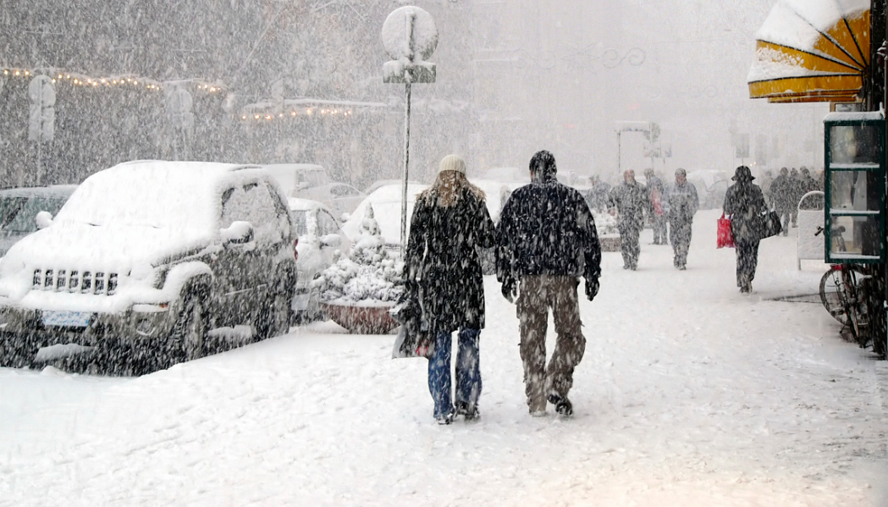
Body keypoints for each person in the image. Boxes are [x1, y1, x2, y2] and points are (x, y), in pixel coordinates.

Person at [496, 150, 601, 417]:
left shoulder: (519, 199)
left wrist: (505, 274)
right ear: (554, 171)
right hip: (563, 280)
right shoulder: (570, 198)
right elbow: (589, 236)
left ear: (532, 172)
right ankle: (556, 381)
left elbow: (503, 239)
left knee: (531, 341)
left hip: (531, 280)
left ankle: (537, 398)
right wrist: (592, 272)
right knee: (571, 336)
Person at [404, 154, 497, 425]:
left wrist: (411, 280)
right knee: (469, 344)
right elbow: (488, 238)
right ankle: (467, 402)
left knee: (440, 345)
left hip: (437, 284)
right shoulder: (473, 202)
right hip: (467, 282)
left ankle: (442, 407)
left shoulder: (425, 203)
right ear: (463, 174)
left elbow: (414, 246)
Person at [723, 165, 767, 293]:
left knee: (741, 254)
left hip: (738, 227)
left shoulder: (731, 191)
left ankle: (743, 280)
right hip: (754, 227)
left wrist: (737, 209)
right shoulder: (756, 190)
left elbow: (727, 209)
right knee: (752, 254)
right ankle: (749, 275)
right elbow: (763, 207)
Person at [607, 169, 647, 270]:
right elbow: (609, 199)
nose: (630, 177)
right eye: (628, 175)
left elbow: (647, 202)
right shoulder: (618, 189)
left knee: (634, 240)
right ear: (624, 177)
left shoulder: (640, 188)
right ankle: (626, 261)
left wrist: (647, 213)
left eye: (631, 175)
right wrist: (611, 208)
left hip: (635, 218)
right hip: (623, 218)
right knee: (624, 241)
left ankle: (634, 260)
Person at [666, 168, 699, 270]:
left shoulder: (691, 188)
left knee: (685, 240)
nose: (680, 178)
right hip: (674, 219)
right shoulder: (669, 188)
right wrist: (668, 211)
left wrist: (689, 213)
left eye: (681, 176)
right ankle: (677, 253)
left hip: (686, 220)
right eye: (678, 176)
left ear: (685, 177)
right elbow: (664, 201)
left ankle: (682, 259)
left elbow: (695, 203)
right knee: (674, 239)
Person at [644, 168, 668, 245]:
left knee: (656, 224)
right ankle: (664, 239)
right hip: (661, 205)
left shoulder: (650, 181)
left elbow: (648, 194)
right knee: (662, 223)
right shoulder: (658, 180)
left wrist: (648, 206)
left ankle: (657, 239)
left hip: (655, 205)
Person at [768, 167, 792, 236]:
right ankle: (780, 230)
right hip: (781, 200)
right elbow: (772, 190)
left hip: (783, 200)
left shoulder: (786, 180)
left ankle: (783, 230)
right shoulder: (779, 180)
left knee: (783, 216)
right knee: (779, 216)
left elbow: (772, 190)